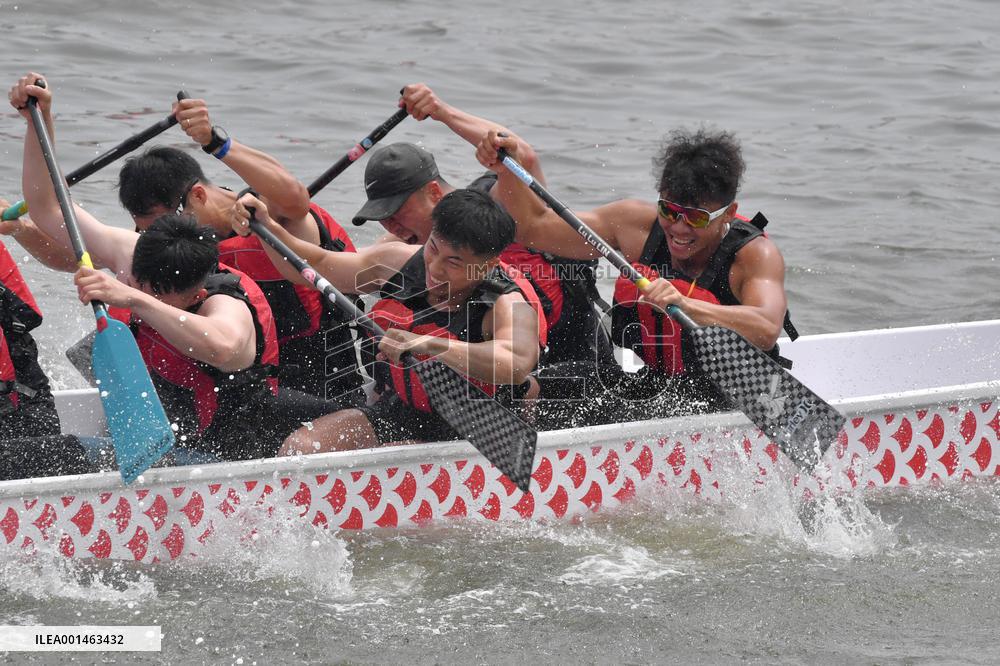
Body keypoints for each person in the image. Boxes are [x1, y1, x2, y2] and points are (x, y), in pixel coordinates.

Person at [11, 72, 342, 462]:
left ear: (195, 294)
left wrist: (134, 299)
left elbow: (223, 348)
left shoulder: (226, 301)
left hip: (220, 466)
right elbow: (48, 207)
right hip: (160, 448)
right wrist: (38, 120)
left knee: (42, 458)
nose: (142, 289)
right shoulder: (137, 252)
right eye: (141, 283)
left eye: (156, 291)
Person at [477, 126, 798, 421]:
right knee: (543, 385)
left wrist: (687, 304)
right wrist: (508, 169)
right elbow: (532, 228)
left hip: (734, 397)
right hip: (661, 385)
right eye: (669, 211)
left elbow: (766, 328)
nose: (679, 228)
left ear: (729, 213)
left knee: (602, 409)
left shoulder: (754, 255)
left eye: (696, 218)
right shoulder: (636, 226)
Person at [233, 187, 547, 454]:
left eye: (453, 262)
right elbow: (316, 264)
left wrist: (428, 344)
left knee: (395, 453)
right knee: (301, 448)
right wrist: (266, 226)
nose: (435, 268)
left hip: (484, 425)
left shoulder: (509, 300)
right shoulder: (397, 262)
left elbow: (515, 361)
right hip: (408, 412)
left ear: (487, 265)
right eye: (433, 248)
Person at [116, 96, 365, 404]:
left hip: (325, 383)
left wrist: (213, 141)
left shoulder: (270, 216)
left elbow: (296, 200)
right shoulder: (167, 245)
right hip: (241, 387)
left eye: (163, 223)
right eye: (146, 231)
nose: (158, 237)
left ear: (197, 196)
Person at [352, 83, 613, 373]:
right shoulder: (411, 243)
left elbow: (522, 158)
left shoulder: (498, 207)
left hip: (574, 361)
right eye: (383, 217)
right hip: (490, 366)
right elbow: (348, 262)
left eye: (396, 212)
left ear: (434, 192)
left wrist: (440, 111)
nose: (392, 225)